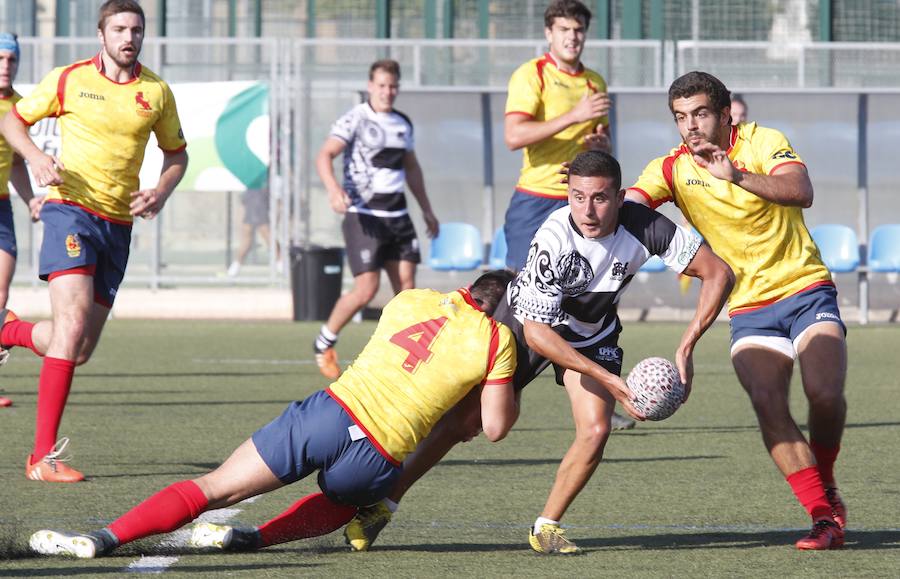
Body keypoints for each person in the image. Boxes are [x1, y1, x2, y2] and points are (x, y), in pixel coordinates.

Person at [343, 150, 735, 554]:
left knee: (597, 429)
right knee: (466, 423)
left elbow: (719, 273)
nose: (588, 210)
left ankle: (546, 527)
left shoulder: (646, 225)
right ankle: (382, 505)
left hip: (592, 333)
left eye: (600, 198)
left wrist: (686, 347)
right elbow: (538, 335)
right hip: (524, 326)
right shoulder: (554, 238)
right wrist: (608, 380)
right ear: (567, 195)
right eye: (578, 196)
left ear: (620, 199)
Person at [28, 270, 519, 559]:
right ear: (502, 312)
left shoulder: (411, 298)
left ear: (467, 288)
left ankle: (101, 538)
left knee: (214, 486)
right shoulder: (498, 340)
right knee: (344, 502)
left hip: (331, 413)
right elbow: (493, 426)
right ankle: (256, 538)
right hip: (378, 454)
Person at [626, 71, 848, 550]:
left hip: (804, 287)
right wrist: (592, 187)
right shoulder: (670, 168)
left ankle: (825, 478)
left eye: (701, 114)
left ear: (725, 114)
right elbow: (629, 208)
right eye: (681, 117)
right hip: (749, 306)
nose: (691, 126)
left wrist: (738, 176)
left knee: (824, 394)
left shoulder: (763, 141)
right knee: (768, 401)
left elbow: (801, 190)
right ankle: (822, 516)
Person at [0, 0, 188, 483]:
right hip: (69, 211)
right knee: (72, 321)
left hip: (117, 225)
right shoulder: (69, 79)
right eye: (120, 29)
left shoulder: (156, 92)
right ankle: (41, 458)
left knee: (77, 346)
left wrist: (161, 191)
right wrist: (37, 157)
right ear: (101, 34)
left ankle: (11, 333)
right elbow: (10, 121)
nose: (130, 37)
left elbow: (177, 156)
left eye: (137, 30)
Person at [503, 1, 632, 432]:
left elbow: (604, 150)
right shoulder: (532, 75)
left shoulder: (594, 81)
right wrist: (573, 116)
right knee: (522, 308)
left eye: (578, 30)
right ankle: (500, 391)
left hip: (585, 202)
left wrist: (600, 145)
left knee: (593, 301)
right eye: (563, 29)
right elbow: (514, 135)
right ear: (549, 33)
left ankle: (597, 394)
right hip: (536, 200)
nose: (572, 37)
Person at [313, 58, 439, 380]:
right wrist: (333, 190)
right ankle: (324, 342)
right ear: (370, 86)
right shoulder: (355, 119)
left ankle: (398, 356)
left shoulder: (402, 123)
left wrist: (426, 208)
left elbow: (411, 168)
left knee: (406, 292)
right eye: (381, 85)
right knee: (366, 290)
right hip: (364, 216)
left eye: (393, 86)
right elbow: (325, 154)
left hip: (398, 216)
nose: (387, 92)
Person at [0, 33, 41, 372]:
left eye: (11, 59)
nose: (5, 66)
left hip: (1, 207)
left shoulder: (21, 106)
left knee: (0, 295)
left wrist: (30, 201)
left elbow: (15, 163)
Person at [227, 186, 280, 277]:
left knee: (266, 234)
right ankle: (235, 267)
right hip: (252, 201)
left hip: (261, 201)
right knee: (247, 237)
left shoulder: (267, 181)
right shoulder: (248, 184)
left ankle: (281, 263)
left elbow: (278, 201)